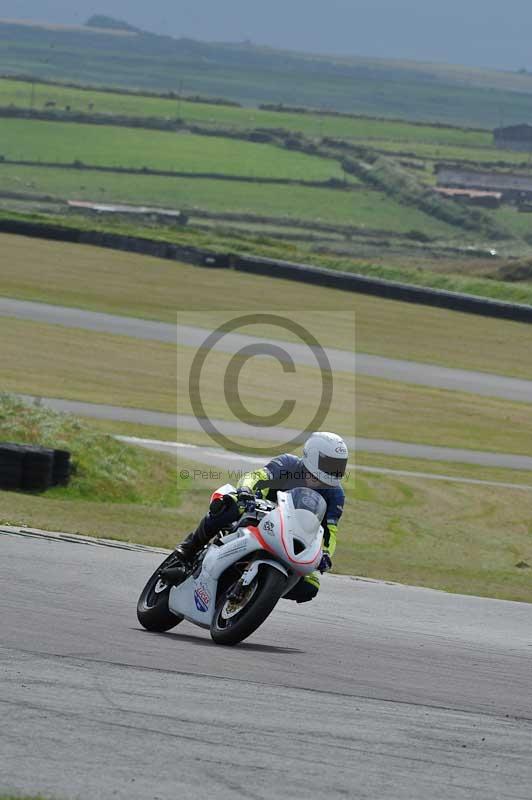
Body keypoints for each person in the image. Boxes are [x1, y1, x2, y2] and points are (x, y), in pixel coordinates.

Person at [166, 432, 348, 603]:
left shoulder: (336, 494)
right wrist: (246, 490)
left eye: (339, 467)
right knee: (229, 504)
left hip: (293, 534)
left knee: (310, 586)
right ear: (313, 456)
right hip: (259, 511)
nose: (335, 471)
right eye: (330, 465)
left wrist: (325, 554)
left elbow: (330, 531)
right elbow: (255, 476)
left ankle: (260, 593)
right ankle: (190, 548)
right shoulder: (288, 464)